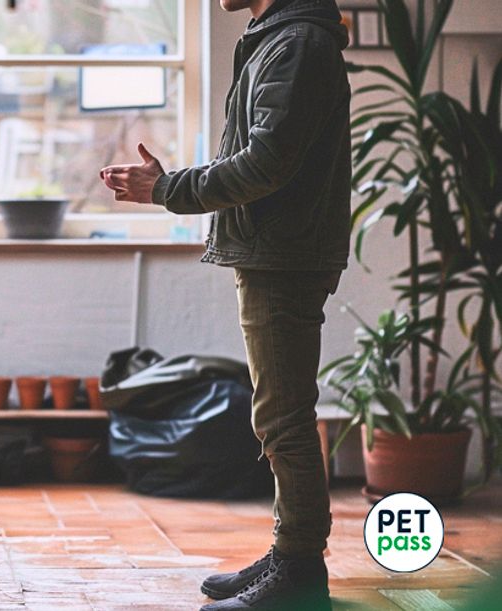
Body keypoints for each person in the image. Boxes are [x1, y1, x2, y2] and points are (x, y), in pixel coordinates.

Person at [100, 0, 350, 609]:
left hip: (284, 255)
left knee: (283, 417)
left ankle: (299, 572)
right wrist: (169, 188)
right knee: (278, 413)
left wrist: (165, 189)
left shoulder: (296, 45)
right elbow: (263, 157)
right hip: (276, 250)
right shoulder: (279, 39)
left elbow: (266, 164)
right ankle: (289, 554)